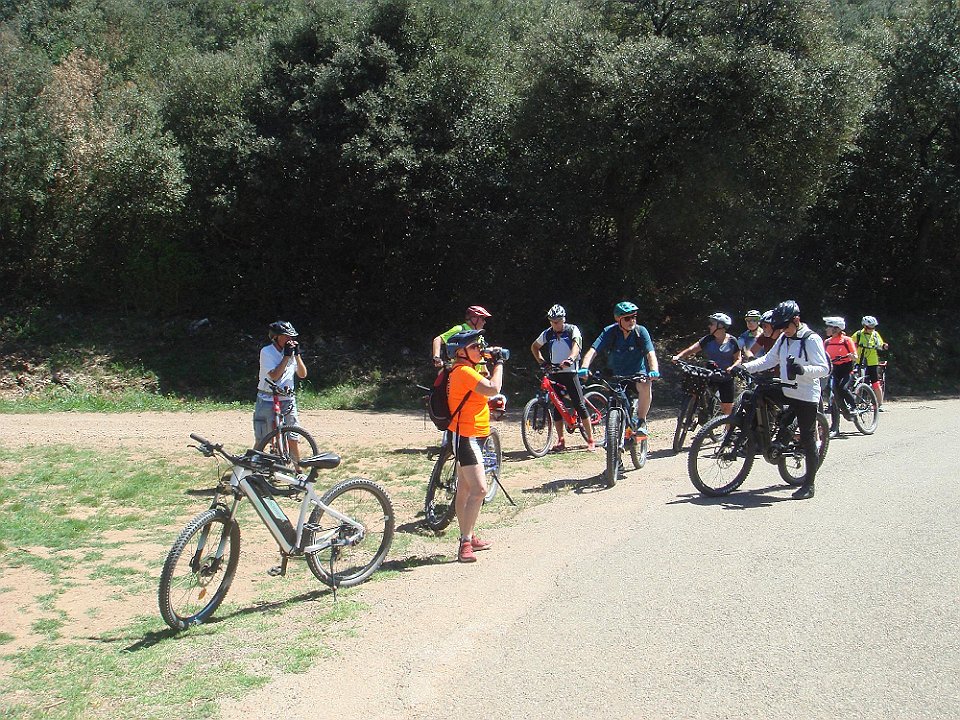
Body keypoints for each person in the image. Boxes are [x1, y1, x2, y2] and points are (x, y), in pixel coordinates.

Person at [739, 300, 829, 500]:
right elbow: (769, 360)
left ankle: (809, 485)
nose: (784, 331)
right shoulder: (784, 338)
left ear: (796, 320)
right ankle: (763, 435)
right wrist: (745, 367)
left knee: (807, 437)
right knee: (757, 394)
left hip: (806, 394)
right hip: (787, 390)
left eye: (786, 326)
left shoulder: (811, 339)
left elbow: (824, 369)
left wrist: (803, 370)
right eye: (780, 327)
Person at [445, 329, 505, 563]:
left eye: (480, 345)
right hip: (465, 437)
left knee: (465, 490)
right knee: (479, 489)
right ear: (460, 352)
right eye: (474, 347)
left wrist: (487, 361)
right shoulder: (463, 371)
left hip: (474, 434)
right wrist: (499, 363)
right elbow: (493, 388)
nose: (480, 350)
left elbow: (484, 391)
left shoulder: (469, 369)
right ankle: (465, 544)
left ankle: (467, 534)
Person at [581, 301, 660, 435]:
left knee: (646, 385)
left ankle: (641, 421)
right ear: (618, 319)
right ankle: (615, 434)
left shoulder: (640, 332)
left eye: (634, 317)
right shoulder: (610, 332)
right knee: (614, 402)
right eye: (627, 318)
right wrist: (584, 367)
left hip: (636, 374)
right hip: (615, 376)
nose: (632, 321)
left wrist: (654, 370)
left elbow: (650, 353)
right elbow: (593, 350)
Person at [530, 304, 595, 452]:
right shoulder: (548, 333)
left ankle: (591, 439)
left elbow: (577, 346)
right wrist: (542, 362)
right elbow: (534, 347)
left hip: (570, 372)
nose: (555, 324)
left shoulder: (572, 329)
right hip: (555, 372)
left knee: (579, 404)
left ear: (563, 319)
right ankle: (561, 440)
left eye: (558, 321)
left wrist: (570, 359)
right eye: (552, 321)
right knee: (557, 406)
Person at [254, 321, 308, 460]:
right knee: (262, 439)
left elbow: (302, 374)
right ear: (276, 337)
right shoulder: (267, 352)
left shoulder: (291, 353)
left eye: (291, 337)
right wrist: (286, 357)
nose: (290, 340)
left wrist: (297, 355)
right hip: (267, 399)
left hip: (287, 399)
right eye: (286, 336)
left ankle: (297, 468)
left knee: (293, 437)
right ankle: (250, 466)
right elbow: (274, 376)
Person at [671, 312, 742, 416]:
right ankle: (693, 414)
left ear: (720, 326)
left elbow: (738, 359)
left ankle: (728, 425)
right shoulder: (708, 339)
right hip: (709, 374)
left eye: (712, 324)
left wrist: (732, 367)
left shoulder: (732, 341)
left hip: (726, 377)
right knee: (695, 390)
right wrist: (679, 356)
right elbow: (692, 349)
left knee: (727, 407)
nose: (709, 326)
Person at [822, 316, 858, 436]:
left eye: (829, 327)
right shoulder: (827, 342)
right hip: (833, 369)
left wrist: (851, 356)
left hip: (846, 370)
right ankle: (835, 426)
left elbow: (855, 356)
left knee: (842, 388)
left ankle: (853, 406)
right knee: (831, 392)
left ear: (836, 329)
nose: (826, 329)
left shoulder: (846, 340)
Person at [851, 315, 889, 410]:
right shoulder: (858, 334)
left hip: (872, 362)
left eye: (873, 327)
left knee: (875, 382)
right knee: (856, 381)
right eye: (870, 327)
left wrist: (883, 346)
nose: (872, 329)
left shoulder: (875, 334)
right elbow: (850, 344)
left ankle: (879, 404)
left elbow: (880, 344)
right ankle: (855, 403)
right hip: (859, 360)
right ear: (864, 326)